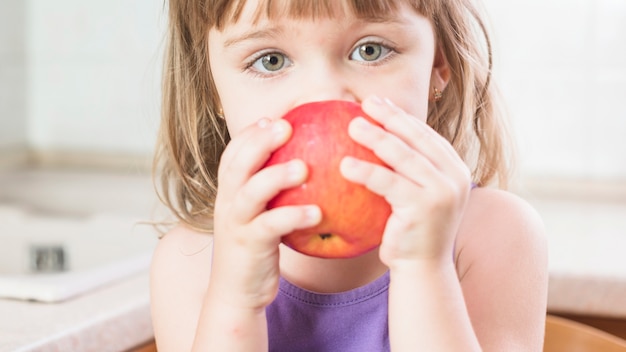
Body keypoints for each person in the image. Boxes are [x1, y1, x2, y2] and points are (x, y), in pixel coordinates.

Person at [150, 0, 549, 351]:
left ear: (437, 66)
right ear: (213, 88)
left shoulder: (495, 234)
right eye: (270, 60)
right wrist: (235, 299)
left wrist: (423, 267)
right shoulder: (190, 263)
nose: (325, 95)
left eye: (371, 50)